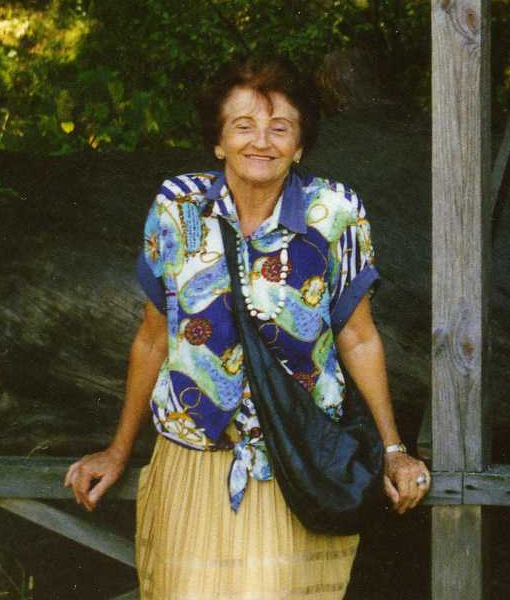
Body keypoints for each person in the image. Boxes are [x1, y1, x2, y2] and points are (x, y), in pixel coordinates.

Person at [64, 58, 429, 600]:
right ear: (218, 142)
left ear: (300, 145)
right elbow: (152, 334)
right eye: (243, 126)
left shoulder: (334, 212)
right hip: (194, 457)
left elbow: (357, 336)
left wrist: (394, 448)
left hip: (295, 459)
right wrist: (118, 451)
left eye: (280, 128)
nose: (262, 141)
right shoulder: (176, 207)